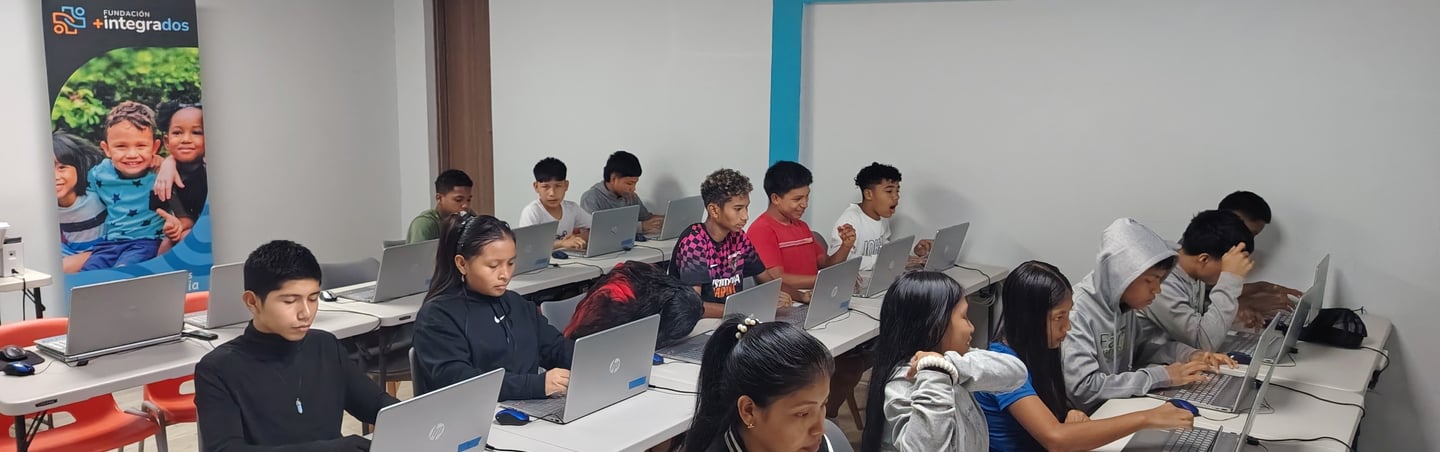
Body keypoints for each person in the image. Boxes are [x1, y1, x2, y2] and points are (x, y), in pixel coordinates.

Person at [195, 240, 398, 451]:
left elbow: (376, 404)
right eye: (290, 301)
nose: (306, 313)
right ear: (252, 302)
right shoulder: (218, 369)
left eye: (313, 298)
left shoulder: (325, 345)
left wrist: (413, 418)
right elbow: (225, 449)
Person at [977, 261, 1194, 452]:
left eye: (1068, 314)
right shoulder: (1002, 367)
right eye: (1059, 317)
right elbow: (1055, 439)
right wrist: (1147, 418)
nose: (1068, 327)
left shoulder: (1039, 350)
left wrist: (1070, 413)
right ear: (1029, 318)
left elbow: (1047, 412)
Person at [1060, 218, 1237, 412]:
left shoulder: (1122, 305)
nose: (1157, 290)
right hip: (1090, 416)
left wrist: (1189, 354)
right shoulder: (1077, 312)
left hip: (1115, 406)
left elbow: (1141, 349)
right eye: (1151, 280)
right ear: (1122, 275)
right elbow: (1083, 388)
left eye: (1161, 280)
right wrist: (1161, 376)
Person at [861, 271, 1028, 452]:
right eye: (964, 317)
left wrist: (947, 365)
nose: (971, 327)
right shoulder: (903, 383)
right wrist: (935, 373)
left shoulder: (953, 361)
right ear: (935, 325)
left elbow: (1017, 373)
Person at [412, 213, 574, 399]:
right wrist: (536, 385)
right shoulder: (437, 316)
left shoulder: (516, 304)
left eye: (510, 263)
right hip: (472, 411)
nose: (505, 274)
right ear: (462, 264)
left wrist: (589, 359)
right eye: (493, 266)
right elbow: (460, 382)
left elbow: (556, 348)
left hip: (526, 405)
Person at [683, 315, 846, 452]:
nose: (820, 429)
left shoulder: (815, 446)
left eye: (823, 404)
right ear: (749, 411)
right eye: (802, 414)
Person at [669, 169, 785, 318]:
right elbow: (694, 306)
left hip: (732, 317)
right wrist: (744, 310)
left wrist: (782, 297)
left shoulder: (739, 236)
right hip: (698, 322)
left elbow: (766, 281)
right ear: (714, 210)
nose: (745, 216)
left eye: (746, 207)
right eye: (738, 209)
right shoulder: (694, 241)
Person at [81, 101, 182, 271]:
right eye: (121, 146)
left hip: (146, 242)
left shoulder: (161, 173)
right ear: (106, 149)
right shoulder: (99, 174)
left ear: (155, 147)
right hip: (109, 244)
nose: (132, 154)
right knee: (88, 275)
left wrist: (168, 162)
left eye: (141, 146)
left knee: (123, 272)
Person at [1140, 210, 1256, 351]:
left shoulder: (1189, 265)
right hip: (1142, 360)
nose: (1230, 270)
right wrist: (1230, 279)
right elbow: (1203, 343)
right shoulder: (1161, 280)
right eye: (1227, 265)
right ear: (1204, 259)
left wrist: (1237, 315)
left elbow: (1198, 319)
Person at [747, 161, 854, 301]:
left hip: (816, 295)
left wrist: (846, 246)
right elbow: (776, 278)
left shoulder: (802, 226)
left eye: (807, 197)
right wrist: (823, 280)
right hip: (790, 302)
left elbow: (825, 265)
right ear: (775, 198)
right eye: (797, 199)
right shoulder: (761, 230)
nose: (805, 204)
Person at [1217, 191, 1303, 325]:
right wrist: (1241, 306)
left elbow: (1212, 291)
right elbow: (1194, 309)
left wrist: (1262, 288)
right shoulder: (1198, 251)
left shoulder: (1223, 252)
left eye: (1253, 236)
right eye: (1248, 233)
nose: (1248, 242)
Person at [830, 162, 932, 271]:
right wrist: (884, 261)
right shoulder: (849, 220)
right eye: (889, 191)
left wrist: (911, 253)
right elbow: (840, 262)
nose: (896, 196)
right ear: (868, 194)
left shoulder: (882, 217)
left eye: (897, 191)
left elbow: (884, 249)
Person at [151, 101, 207, 245]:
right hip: (195, 229)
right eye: (177, 133)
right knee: (167, 244)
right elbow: (186, 218)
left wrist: (168, 161)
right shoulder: (167, 177)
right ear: (166, 141)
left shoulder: (213, 170)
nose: (186, 140)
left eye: (196, 132)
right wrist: (177, 226)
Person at [52, 131, 107, 273]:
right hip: (71, 253)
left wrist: (159, 162)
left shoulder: (95, 192)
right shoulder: (46, 207)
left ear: (78, 167)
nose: (55, 176)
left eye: (62, 168)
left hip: (107, 251)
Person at [579, 150, 664, 235]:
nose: (633, 189)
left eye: (635, 183)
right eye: (629, 183)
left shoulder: (630, 197)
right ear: (613, 179)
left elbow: (646, 218)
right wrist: (640, 227)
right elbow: (589, 233)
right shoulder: (590, 198)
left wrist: (665, 220)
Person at [518, 157, 591, 250]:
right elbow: (526, 245)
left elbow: (596, 225)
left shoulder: (572, 208)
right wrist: (562, 243)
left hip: (568, 257)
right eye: (545, 187)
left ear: (566, 185)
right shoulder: (532, 212)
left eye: (558, 186)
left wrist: (580, 239)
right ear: (536, 187)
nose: (552, 193)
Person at [407, 169, 474, 243]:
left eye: (468, 200)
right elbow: (420, 251)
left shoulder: (469, 218)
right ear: (439, 198)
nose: (465, 205)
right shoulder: (424, 224)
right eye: (458, 200)